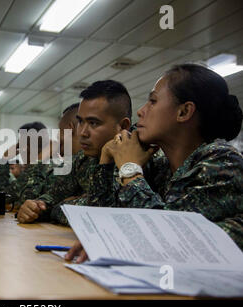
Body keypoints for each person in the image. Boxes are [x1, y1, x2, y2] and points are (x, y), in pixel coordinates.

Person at [67, 64, 243, 262]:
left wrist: (130, 171)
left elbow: (166, 237)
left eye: (152, 101)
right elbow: (102, 220)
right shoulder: (161, 167)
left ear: (184, 112)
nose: (141, 111)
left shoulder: (222, 162)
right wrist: (106, 160)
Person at [17, 81, 132, 224]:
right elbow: (50, 198)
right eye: (81, 122)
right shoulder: (83, 160)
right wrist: (33, 207)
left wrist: (61, 207)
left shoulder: (138, 159)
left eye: (93, 123)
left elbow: (100, 216)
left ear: (123, 126)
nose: (82, 132)